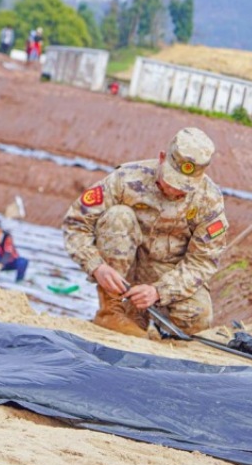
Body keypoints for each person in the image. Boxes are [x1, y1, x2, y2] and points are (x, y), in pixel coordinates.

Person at [63, 127, 228, 337]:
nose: (175, 191)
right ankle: (111, 312)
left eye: (184, 187)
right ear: (161, 158)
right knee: (118, 216)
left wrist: (160, 291)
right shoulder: (127, 179)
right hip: (124, 268)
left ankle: (157, 325)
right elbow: (76, 223)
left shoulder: (209, 201)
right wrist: (96, 266)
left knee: (198, 317)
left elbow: (202, 262)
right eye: (172, 181)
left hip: (165, 272)